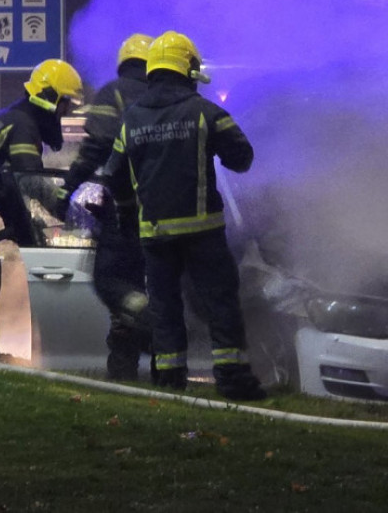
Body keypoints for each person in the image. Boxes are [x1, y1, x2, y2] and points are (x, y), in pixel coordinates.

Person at [104, 30, 266, 400]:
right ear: (187, 68)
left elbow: (113, 174)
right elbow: (242, 158)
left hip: (155, 236)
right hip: (203, 233)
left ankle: (169, 382)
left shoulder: (131, 119)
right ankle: (233, 379)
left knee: (164, 309)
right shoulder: (205, 112)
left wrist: (130, 212)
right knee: (220, 303)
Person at [0, 58, 83, 360]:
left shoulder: (15, 118)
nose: (65, 112)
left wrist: (23, 227)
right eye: (65, 104)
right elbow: (31, 181)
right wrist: (69, 210)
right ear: (51, 98)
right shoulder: (23, 126)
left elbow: (11, 183)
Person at [61, 33, 154, 380]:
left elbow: (98, 145)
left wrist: (70, 185)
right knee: (157, 285)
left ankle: (128, 363)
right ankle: (163, 375)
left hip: (128, 211)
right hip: (174, 213)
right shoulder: (168, 98)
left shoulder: (113, 92)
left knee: (111, 281)